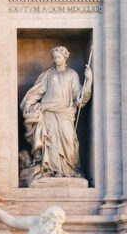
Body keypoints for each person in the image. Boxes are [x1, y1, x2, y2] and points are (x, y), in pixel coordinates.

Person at [21, 46, 92, 181]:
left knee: (69, 141)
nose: (56, 60)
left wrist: (88, 81)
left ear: (65, 57)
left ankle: (68, 170)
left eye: (58, 57)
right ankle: (52, 171)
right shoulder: (48, 74)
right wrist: (30, 105)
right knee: (50, 142)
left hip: (65, 114)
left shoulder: (72, 75)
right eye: (54, 57)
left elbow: (79, 97)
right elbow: (37, 91)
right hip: (48, 112)